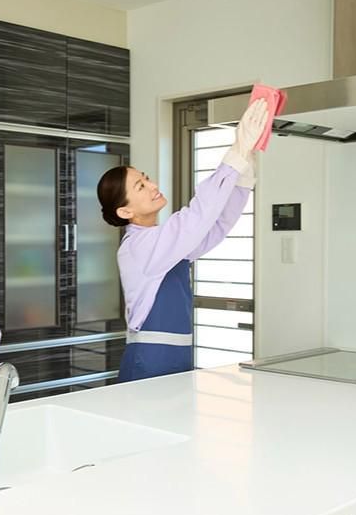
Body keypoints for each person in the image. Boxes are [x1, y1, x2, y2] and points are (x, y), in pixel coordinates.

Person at [96, 99, 269, 382]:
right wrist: (236, 152)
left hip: (179, 359)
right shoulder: (137, 248)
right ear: (125, 211)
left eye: (147, 179)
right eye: (141, 186)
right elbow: (195, 218)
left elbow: (215, 226)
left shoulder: (165, 243)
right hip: (149, 361)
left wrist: (242, 177)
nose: (153, 185)